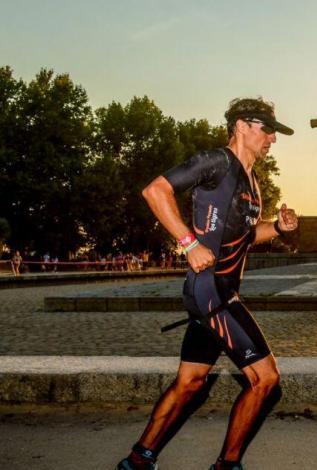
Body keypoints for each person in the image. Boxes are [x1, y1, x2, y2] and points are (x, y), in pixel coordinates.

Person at [116, 97, 297, 470]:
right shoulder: (217, 161)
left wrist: (278, 228)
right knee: (265, 379)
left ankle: (137, 460)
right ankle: (226, 465)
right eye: (267, 130)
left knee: (191, 382)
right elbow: (156, 191)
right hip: (211, 291)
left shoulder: (251, 181)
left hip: (217, 292)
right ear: (243, 126)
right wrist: (189, 243)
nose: (272, 140)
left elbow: (244, 236)